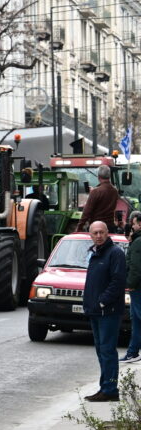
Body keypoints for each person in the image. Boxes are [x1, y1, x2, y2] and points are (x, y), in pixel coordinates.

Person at [83, 220, 127, 401]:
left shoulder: (115, 253)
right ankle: (106, 387)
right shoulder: (95, 253)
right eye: (95, 233)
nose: (99, 236)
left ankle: (110, 390)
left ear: (107, 232)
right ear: (90, 235)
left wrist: (102, 301)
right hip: (95, 311)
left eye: (102, 232)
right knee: (102, 351)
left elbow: (118, 281)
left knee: (107, 351)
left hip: (108, 312)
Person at [121, 212, 141, 363]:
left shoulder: (138, 242)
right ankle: (133, 352)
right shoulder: (136, 240)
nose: (132, 227)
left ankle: (133, 352)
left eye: (133, 224)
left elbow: (135, 267)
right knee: (137, 321)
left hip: (138, 288)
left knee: (137, 318)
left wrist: (130, 285)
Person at [79, 165, 120, 233]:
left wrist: (79, 227)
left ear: (98, 177)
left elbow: (87, 211)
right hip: (109, 227)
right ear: (109, 176)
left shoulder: (95, 192)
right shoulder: (115, 191)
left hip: (96, 227)